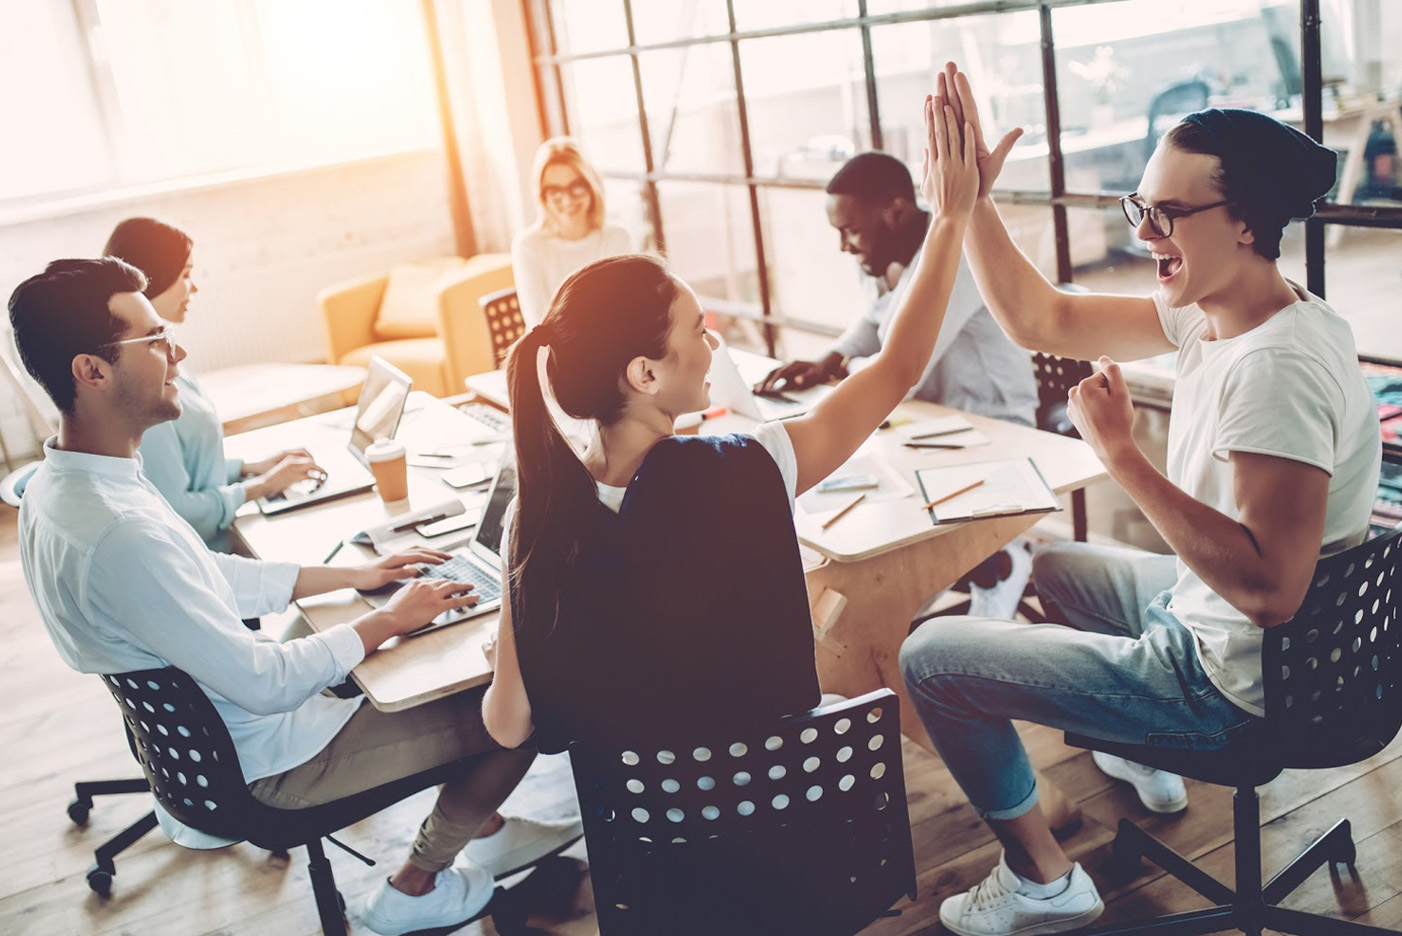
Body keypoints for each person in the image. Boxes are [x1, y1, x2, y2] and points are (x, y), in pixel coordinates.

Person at [899, 63, 1380, 936]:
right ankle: (1138, 750)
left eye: (1169, 214)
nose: (1145, 231)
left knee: (931, 657)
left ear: (1245, 222)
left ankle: (1044, 882)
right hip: (1250, 639)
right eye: (1140, 207)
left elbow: (1271, 590)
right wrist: (969, 204)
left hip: (1231, 690)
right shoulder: (1227, 308)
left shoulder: (1273, 372)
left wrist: (1121, 455)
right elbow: (1042, 319)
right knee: (1060, 570)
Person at [10, 258, 580, 936]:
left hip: (219, 742)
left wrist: (356, 578)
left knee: (397, 647)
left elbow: (204, 574)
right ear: (92, 371)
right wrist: (385, 621)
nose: (178, 354)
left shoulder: (61, 488)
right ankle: (416, 885)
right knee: (525, 707)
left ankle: (478, 824)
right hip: (273, 764)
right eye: (156, 339)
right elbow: (265, 682)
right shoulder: (118, 532)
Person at [480, 95, 978, 755]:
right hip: (779, 800)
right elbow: (899, 365)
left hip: (643, 819)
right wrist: (952, 216)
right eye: (697, 330)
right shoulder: (748, 465)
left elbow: (508, 725)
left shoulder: (536, 514)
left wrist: (510, 649)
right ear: (644, 374)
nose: (712, 343)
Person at [757, 152, 1040, 618]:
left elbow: (903, 372)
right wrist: (829, 359)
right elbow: (876, 320)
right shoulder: (881, 256)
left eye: (850, 230)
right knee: (860, 491)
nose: (844, 246)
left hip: (991, 424)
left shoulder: (957, 258)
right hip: (930, 421)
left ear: (895, 211)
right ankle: (928, 588)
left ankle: (995, 565)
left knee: (877, 504)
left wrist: (846, 374)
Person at [104, 217, 320, 550]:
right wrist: (261, 486)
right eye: (185, 275)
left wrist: (250, 468)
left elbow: (190, 466)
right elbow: (176, 511)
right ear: (152, 278)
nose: (194, 288)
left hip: (226, 529)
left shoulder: (167, 358)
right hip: (210, 551)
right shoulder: (143, 388)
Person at [510, 138, 632, 327]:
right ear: (542, 195)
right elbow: (539, 325)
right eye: (555, 191)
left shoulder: (617, 238)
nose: (567, 200)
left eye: (576, 187)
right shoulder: (528, 246)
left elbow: (624, 310)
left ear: (591, 187)